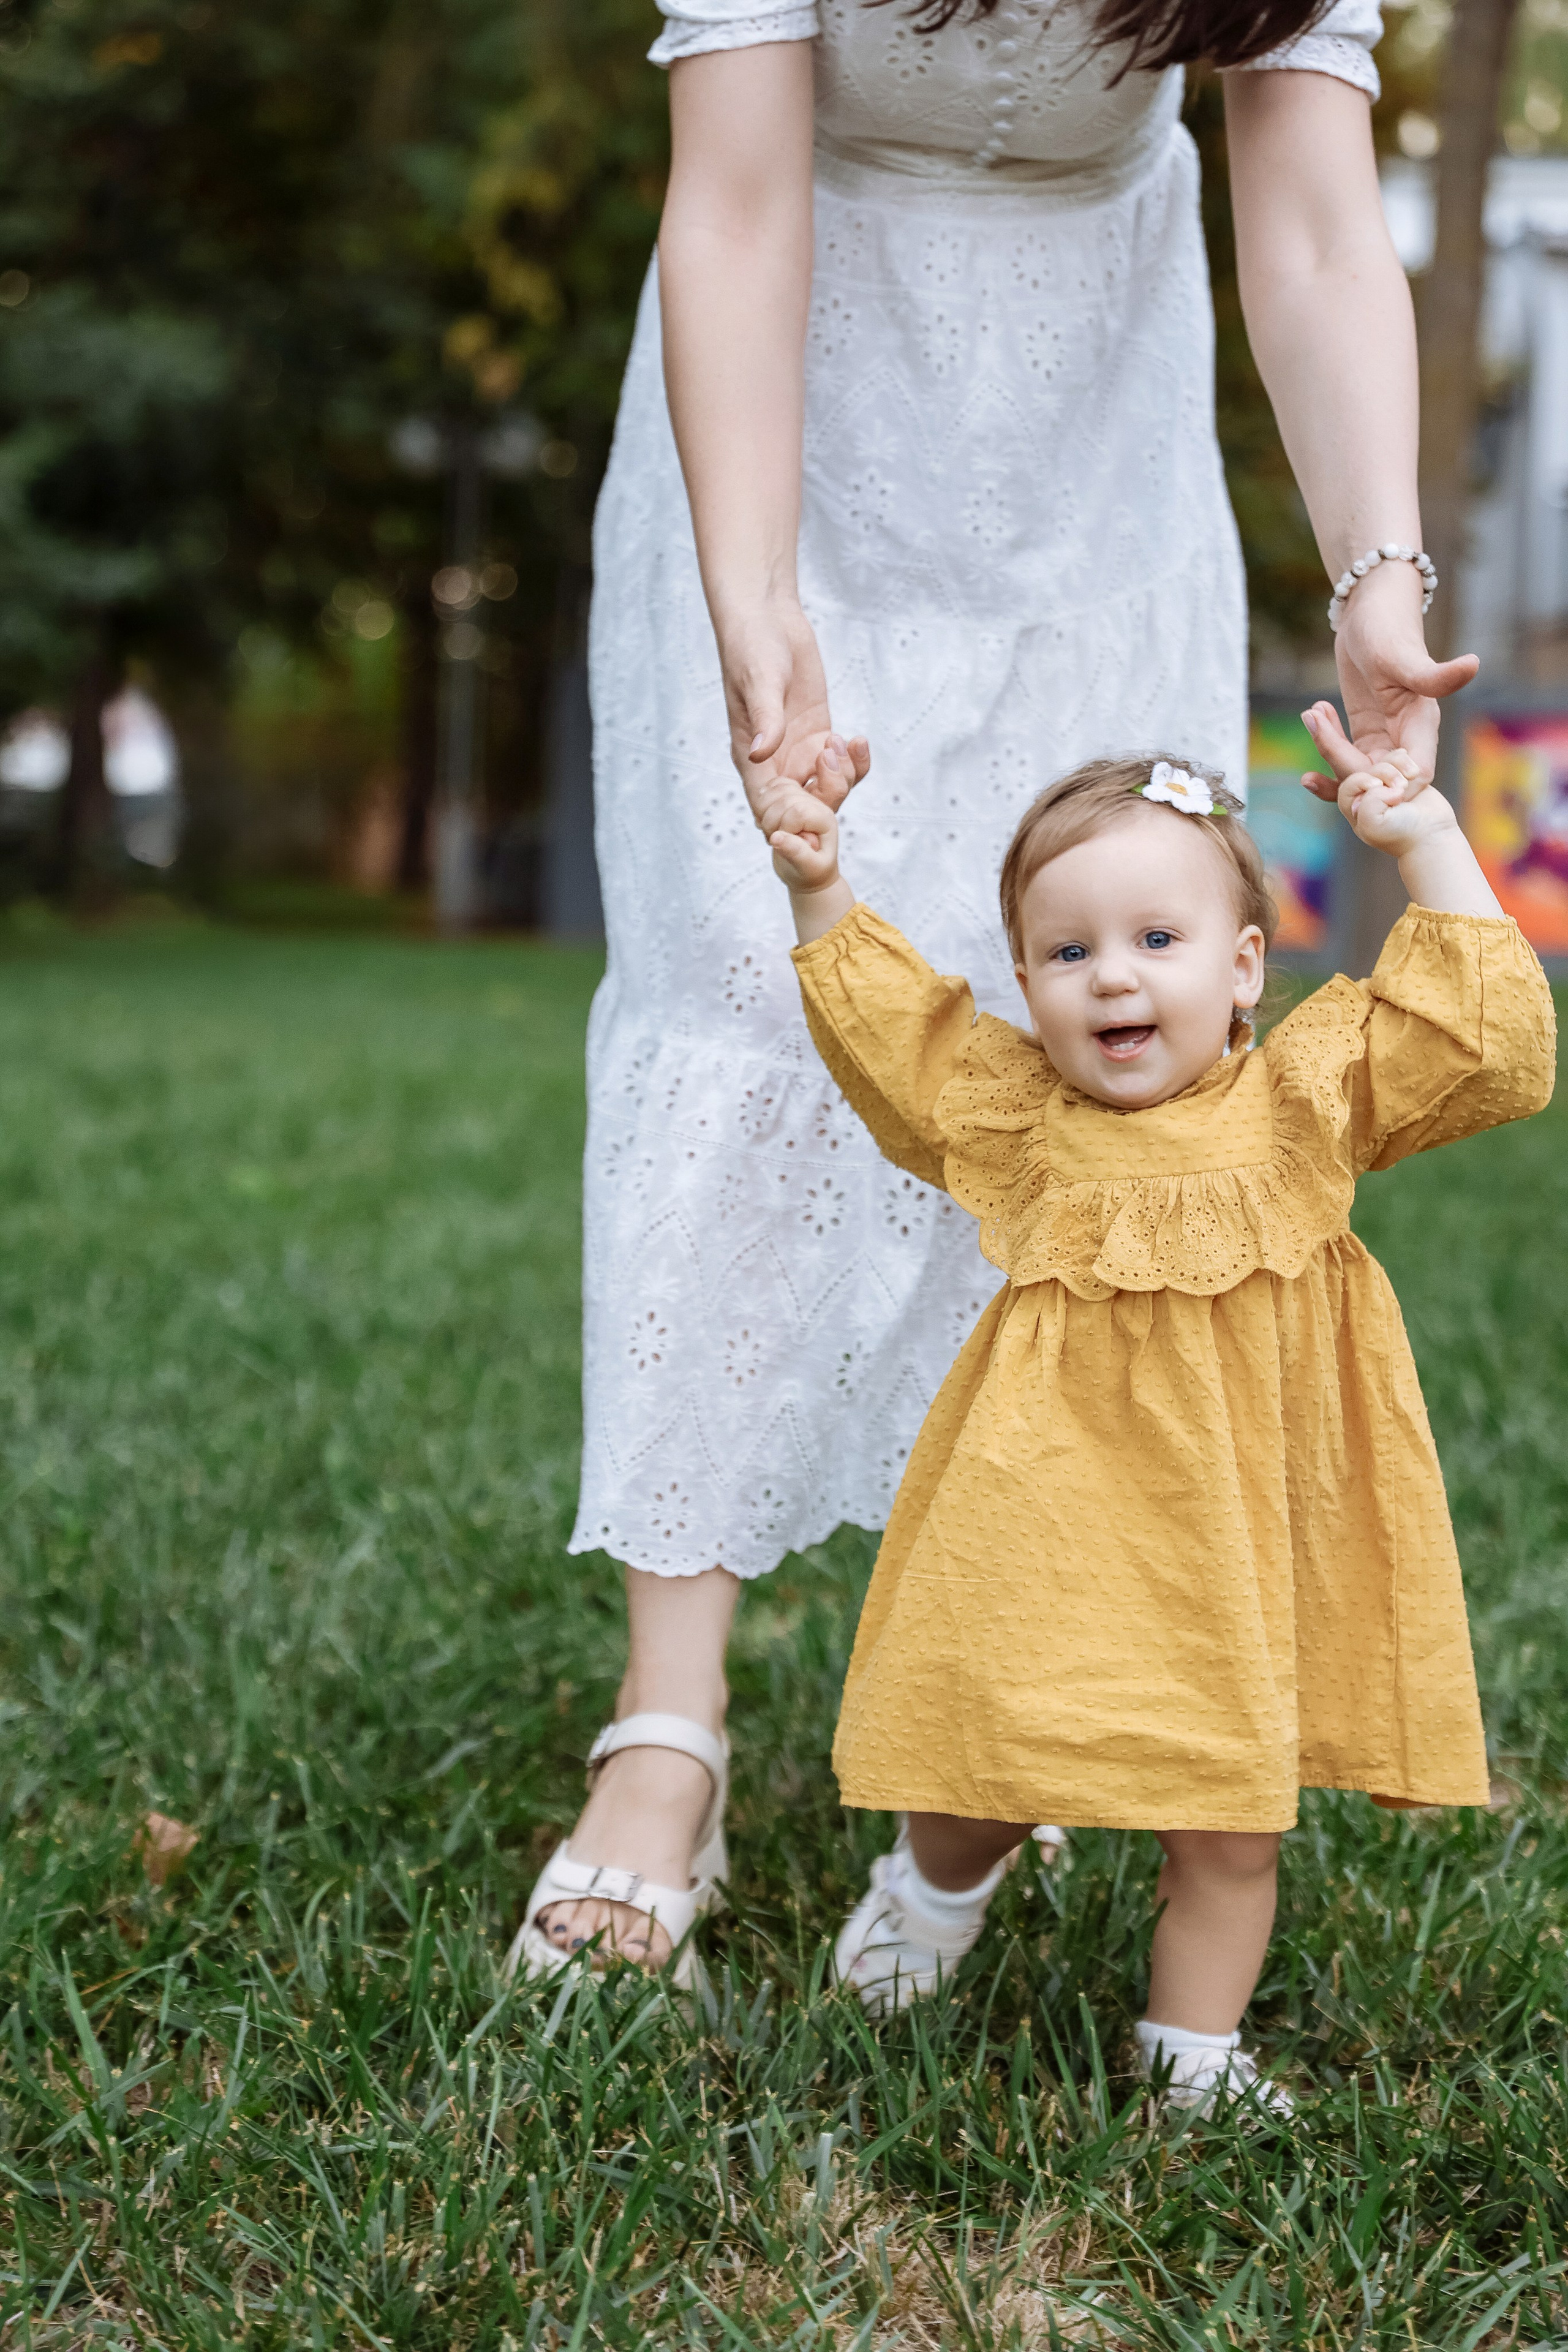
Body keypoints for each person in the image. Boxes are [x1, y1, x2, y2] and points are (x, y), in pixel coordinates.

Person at [519, 0, 1483, 1977]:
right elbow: (738, 196)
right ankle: (667, 1738)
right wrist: (754, 592)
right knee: (744, 1003)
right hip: (784, 431)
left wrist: (1378, 575)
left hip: (1093, 469)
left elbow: (1307, 228)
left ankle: (1018, 1678)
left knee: (1083, 1045)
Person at [756, 707, 1554, 2107]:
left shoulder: (1308, 1096)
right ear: (1023, 980)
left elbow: (1488, 1050)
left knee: (1232, 1818)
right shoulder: (1015, 1116)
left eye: (1155, 942)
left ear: (1245, 968)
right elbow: (898, 1045)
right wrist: (816, 878)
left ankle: (1191, 2060)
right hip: (1052, 1513)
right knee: (989, 1758)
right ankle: (930, 1899)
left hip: (1241, 1531)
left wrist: (1424, 837)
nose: (1110, 980)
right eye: (1066, 953)